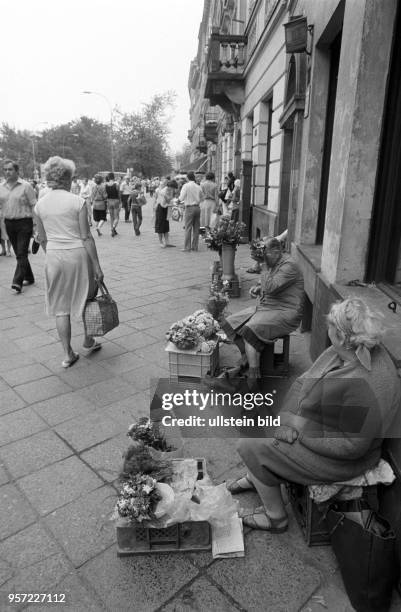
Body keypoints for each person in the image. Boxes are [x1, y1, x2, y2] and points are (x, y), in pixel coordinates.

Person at [228, 298, 401, 532]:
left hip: (341, 460)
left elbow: (351, 447)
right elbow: (302, 381)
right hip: (314, 427)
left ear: (341, 335)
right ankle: (258, 474)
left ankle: (275, 517)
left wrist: (297, 425)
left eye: (330, 324)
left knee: (248, 445)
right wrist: (287, 416)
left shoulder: (371, 382)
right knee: (255, 423)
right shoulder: (343, 349)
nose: (327, 327)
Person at [34, 156, 104, 368]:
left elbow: (42, 238)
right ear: (68, 178)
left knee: (60, 306)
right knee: (86, 295)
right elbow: (86, 237)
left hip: (54, 255)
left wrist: (52, 253)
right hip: (78, 254)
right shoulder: (77, 201)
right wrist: (97, 266)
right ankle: (88, 340)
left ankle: (67, 354)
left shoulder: (40, 205)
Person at [221, 237, 304, 380]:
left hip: (286, 311)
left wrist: (263, 264)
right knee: (228, 323)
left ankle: (253, 376)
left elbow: (271, 287)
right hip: (267, 306)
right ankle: (247, 356)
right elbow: (270, 286)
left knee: (249, 330)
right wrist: (258, 288)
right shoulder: (274, 263)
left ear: (277, 252)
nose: (263, 258)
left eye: (266, 254)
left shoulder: (289, 266)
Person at [0, 160, 37, 292]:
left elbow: (34, 205)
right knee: (19, 253)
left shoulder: (26, 186)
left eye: (10, 169)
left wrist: (36, 225)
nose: (7, 172)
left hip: (24, 223)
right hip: (9, 223)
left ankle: (17, 282)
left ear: (17, 171)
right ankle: (30, 277)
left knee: (21, 252)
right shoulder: (1, 187)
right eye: (5, 169)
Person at [178, 171, 203, 252]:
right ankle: (195, 247)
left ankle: (187, 247)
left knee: (188, 228)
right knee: (196, 228)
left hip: (189, 208)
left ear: (187, 178)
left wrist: (177, 201)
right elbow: (202, 198)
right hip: (197, 208)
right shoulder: (198, 186)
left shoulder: (186, 186)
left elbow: (181, 198)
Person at [154, 179, 178, 247]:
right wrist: (172, 203)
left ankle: (167, 242)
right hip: (161, 209)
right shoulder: (163, 191)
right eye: (173, 188)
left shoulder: (170, 190)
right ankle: (161, 242)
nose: (173, 189)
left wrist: (172, 201)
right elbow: (164, 203)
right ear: (170, 186)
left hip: (166, 209)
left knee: (166, 226)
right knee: (160, 226)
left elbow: (170, 199)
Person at [105, 172, 120, 237]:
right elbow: (119, 194)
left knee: (111, 217)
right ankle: (113, 227)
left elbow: (105, 194)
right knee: (117, 217)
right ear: (114, 177)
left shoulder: (106, 185)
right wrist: (120, 201)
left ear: (108, 177)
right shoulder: (116, 184)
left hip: (109, 201)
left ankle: (112, 229)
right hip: (116, 200)